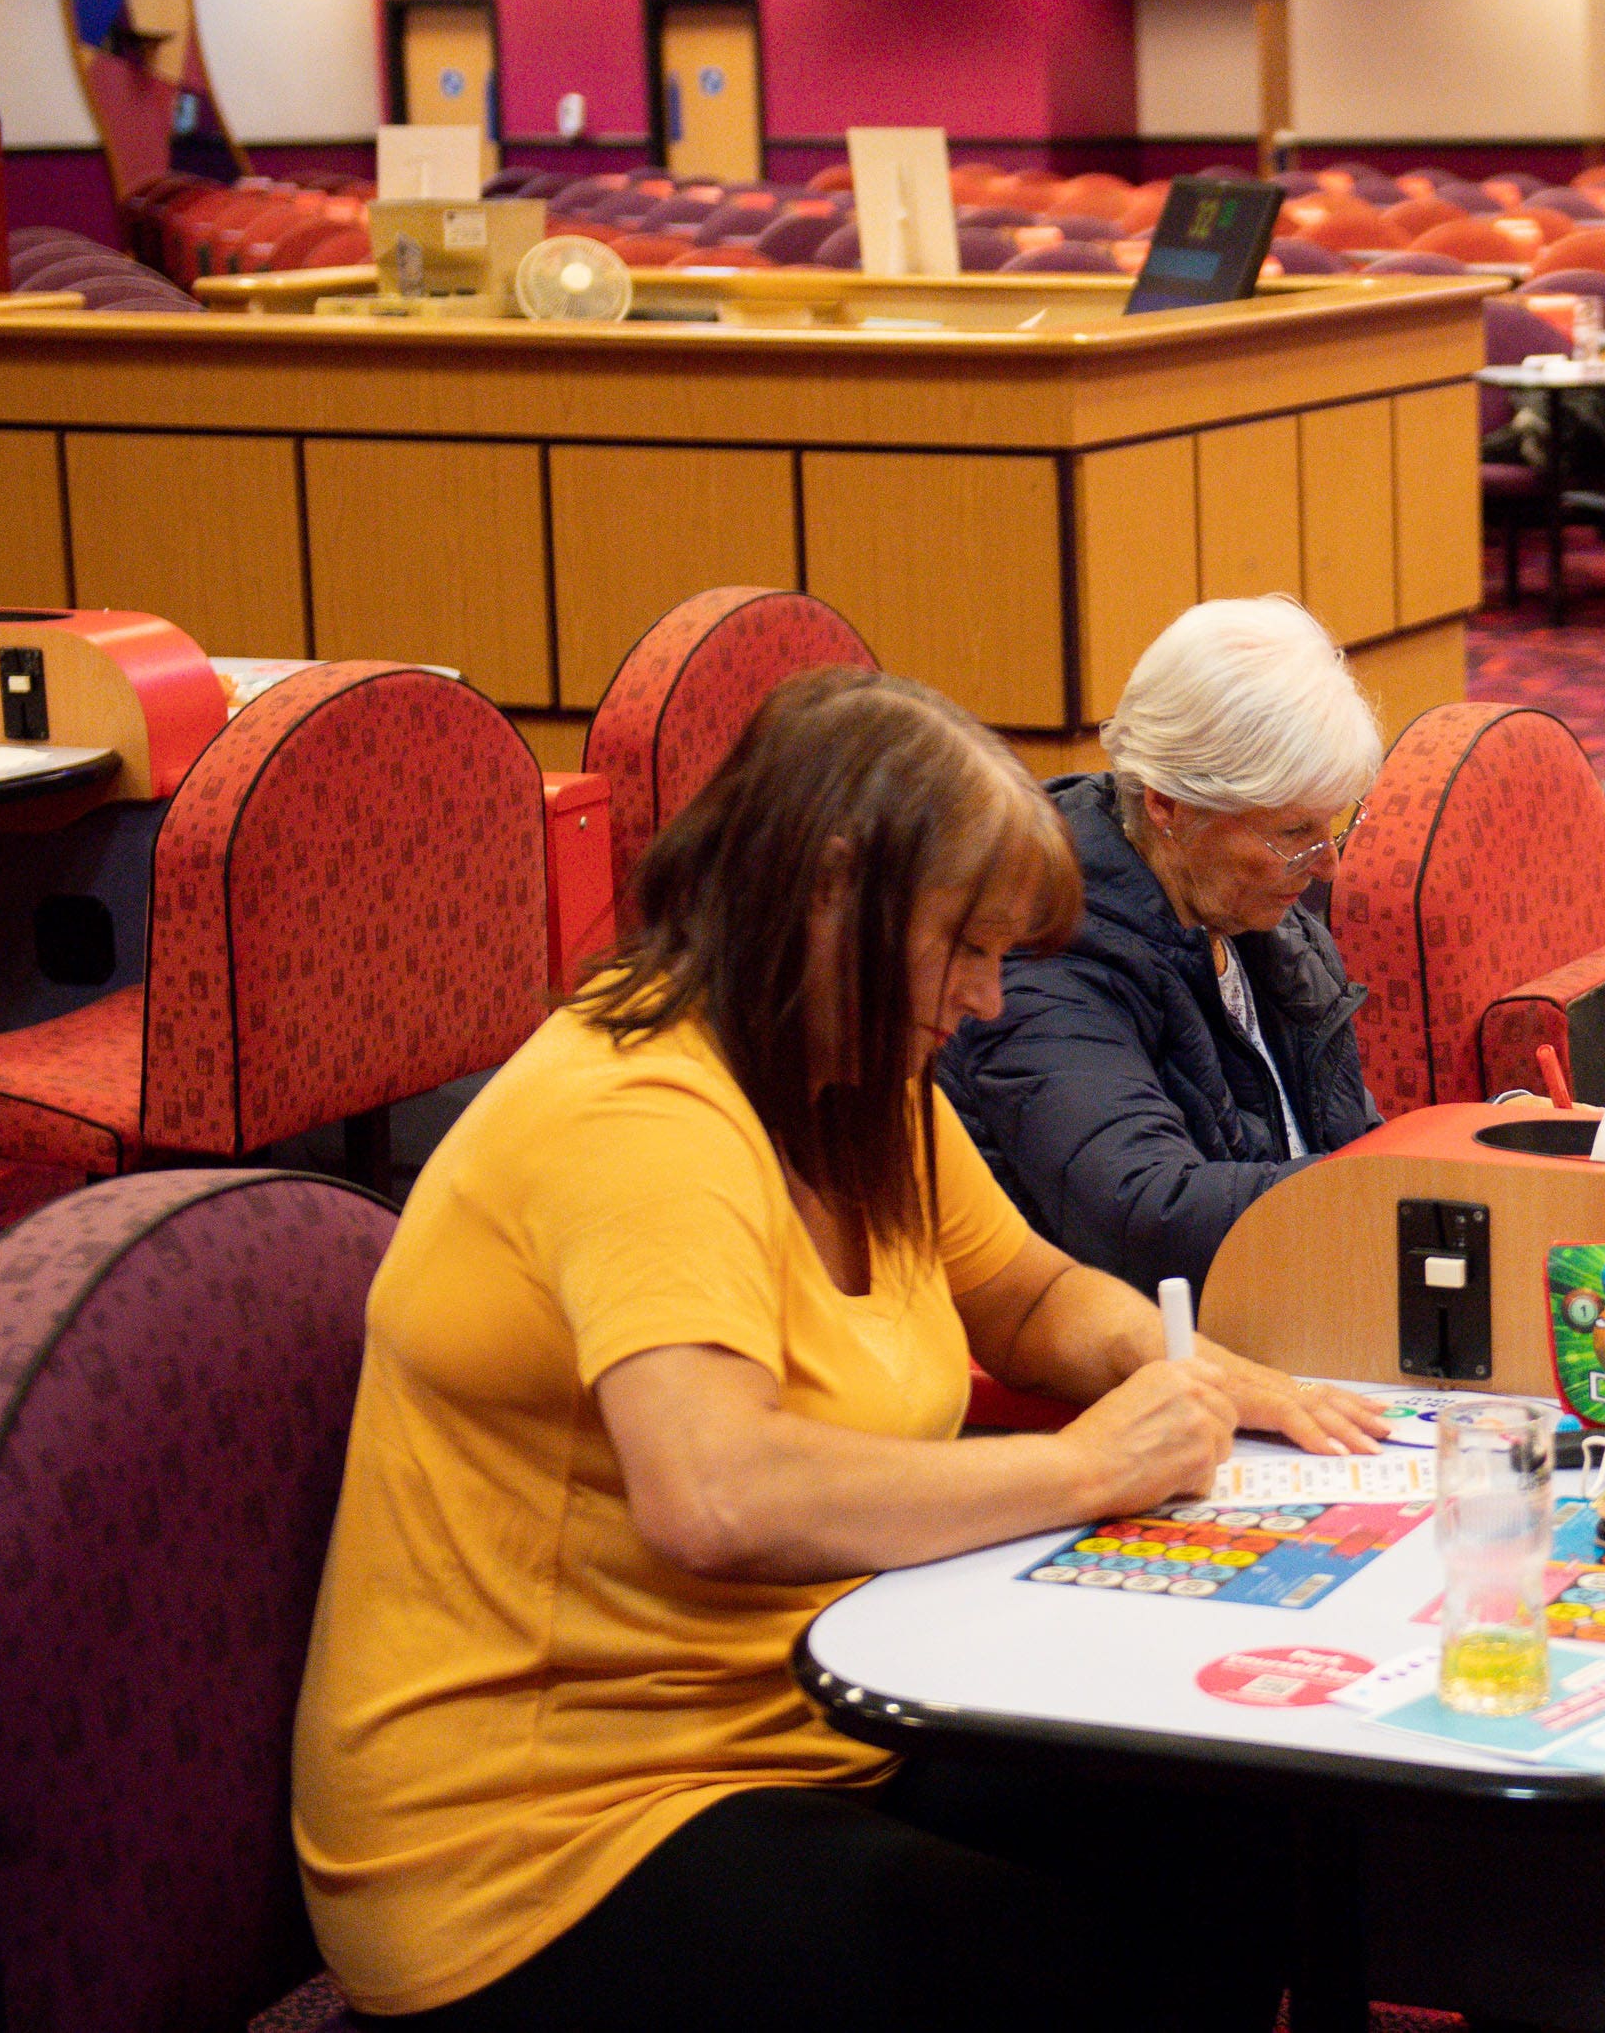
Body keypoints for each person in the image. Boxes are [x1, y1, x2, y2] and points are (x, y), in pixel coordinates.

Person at [293, 666, 1383, 2031]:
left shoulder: (849, 1076)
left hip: (803, 1710)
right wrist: (1089, 1468)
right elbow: (716, 1492)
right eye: (965, 949)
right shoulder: (636, 1111)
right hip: (540, 1834)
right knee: (1048, 1963)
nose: (986, 1000)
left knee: (1217, 1830)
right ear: (827, 894)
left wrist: (1172, 1364)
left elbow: (1032, 1292)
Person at [943, 596, 1385, 1293]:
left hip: (1281, 1307)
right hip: (1125, 1362)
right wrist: (1403, 1188)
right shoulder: (1042, 948)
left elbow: (1340, 1140)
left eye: (1330, 824)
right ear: (1167, 804)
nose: (1325, 863)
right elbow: (1144, 1214)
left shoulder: (1255, 913)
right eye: (1292, 831)